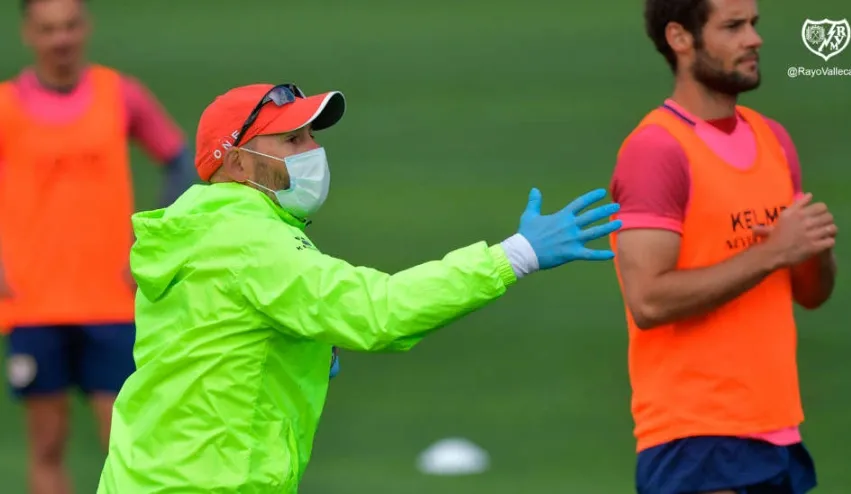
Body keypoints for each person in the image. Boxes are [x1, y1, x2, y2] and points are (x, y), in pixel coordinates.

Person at [96, 82, 623, 493]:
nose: (313, 150)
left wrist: (304, 347)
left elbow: (218, 339)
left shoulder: (199, 228)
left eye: (311, 135)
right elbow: (381, 312)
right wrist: (515, 255)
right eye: (292, 139)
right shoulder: (251, 241)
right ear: (237, 162)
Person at [608, 1, 838, 493]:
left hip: (777, 430)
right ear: (679, 38)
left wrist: (814, 247)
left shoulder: (773, 138)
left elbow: (812, 294)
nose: (754, 39)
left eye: (753, 24)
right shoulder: (656, 151)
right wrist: (772, 253)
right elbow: (648, 300)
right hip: (694, 439)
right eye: (733, 26)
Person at [0, 0, 195, 492]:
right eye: (49, 29)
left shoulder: (119, 94)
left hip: (111, 300)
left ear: (85, 28)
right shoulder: (5, 106)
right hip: (32, 302)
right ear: (29, 34)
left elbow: (178, 159)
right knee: (47, 445)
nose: (61, 39)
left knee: (124, 441)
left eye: (69, 26)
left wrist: (153, 243)